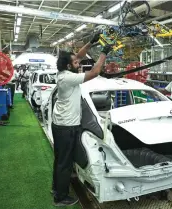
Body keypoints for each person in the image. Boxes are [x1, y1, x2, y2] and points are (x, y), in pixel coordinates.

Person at [51, 33, 112, 207]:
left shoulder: (64, 72)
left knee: (60, 159)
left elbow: (77, 56)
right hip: (66, 127)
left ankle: (56, 188)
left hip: (62, 125)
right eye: (76, 64)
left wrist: (91, 43)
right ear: (69, 66)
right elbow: (95, 72)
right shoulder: (68, 78)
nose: (79, 64)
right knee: (65, 162)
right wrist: (103, 53)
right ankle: (60, 197)